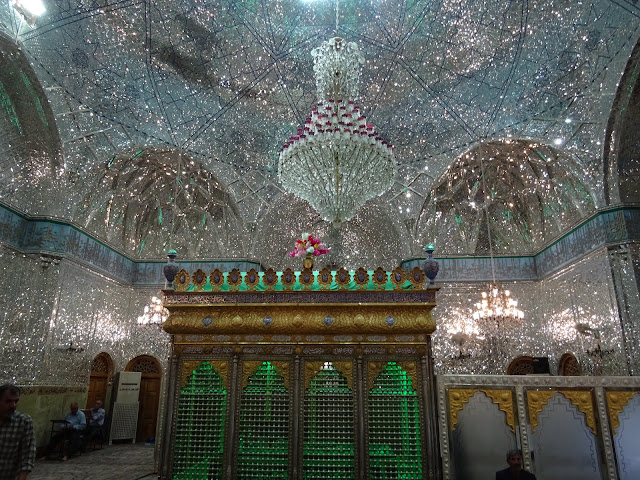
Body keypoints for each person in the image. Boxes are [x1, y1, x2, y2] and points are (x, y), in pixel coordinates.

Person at [0, 383, 36, 480]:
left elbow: (28, 455)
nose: (13, 405)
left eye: (16, 401)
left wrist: (22, 477)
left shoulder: (23, 421)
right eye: (8, 401)